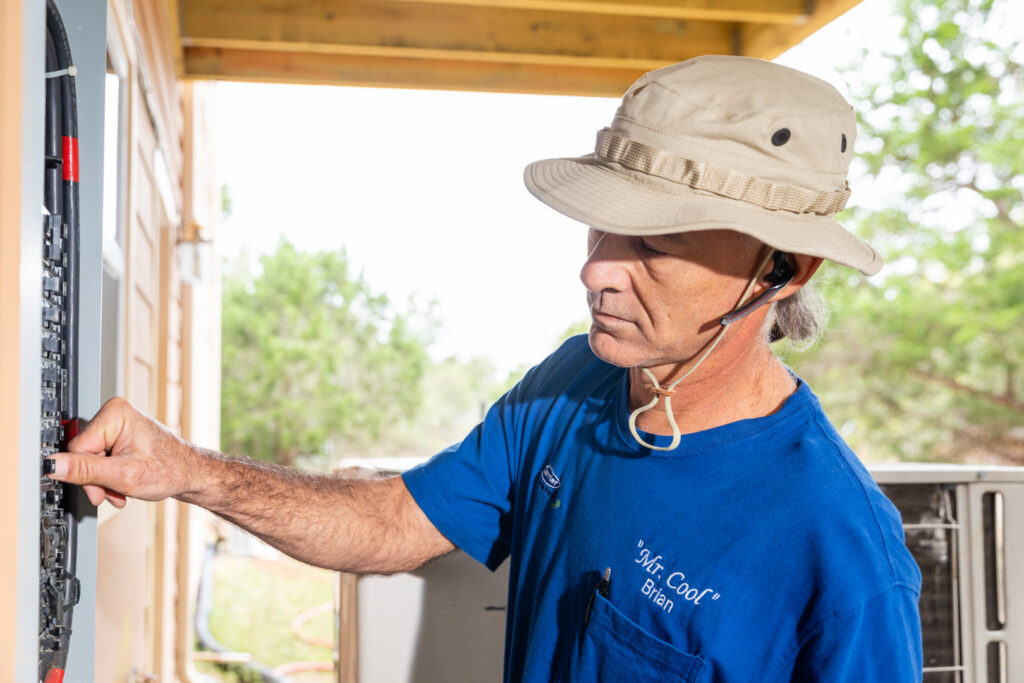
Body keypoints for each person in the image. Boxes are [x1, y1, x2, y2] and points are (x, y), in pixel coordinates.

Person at [48, 55, 923, 681]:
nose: (596, 269)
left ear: (783, 269)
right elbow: (396, 521)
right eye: (601, 228)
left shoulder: (842, 553)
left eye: (655, 243)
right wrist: (189, 470)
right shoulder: (574, 384)